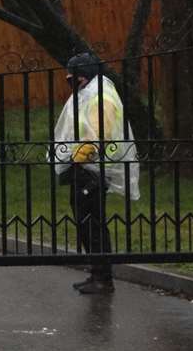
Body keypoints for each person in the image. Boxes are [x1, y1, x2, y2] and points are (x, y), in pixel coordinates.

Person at [53, 52, 141, 295]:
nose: (72, 82)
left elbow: (98, 133)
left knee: (92, 223)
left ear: (87, 75)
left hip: (92, 168)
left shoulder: (100, 98)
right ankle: (97, 273)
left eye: (75, 78)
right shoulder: (90, 94)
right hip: (86, 166)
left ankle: (103, 277)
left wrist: (80, 155)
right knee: (86, 221)